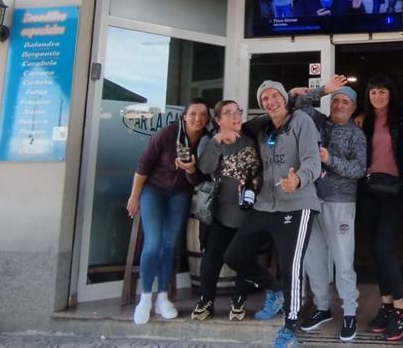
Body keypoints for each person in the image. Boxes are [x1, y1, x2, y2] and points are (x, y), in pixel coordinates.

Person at [221, 81, 321, 348]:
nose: (270, 100)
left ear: (284, 98)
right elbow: (237, 134)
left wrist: (298, 179)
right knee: (234, 255)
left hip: (297, 203)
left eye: (275, 95)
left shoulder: (301, 121)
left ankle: (290, 326)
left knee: (291, 266)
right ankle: (274, 289)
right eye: (264, 97)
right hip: (264, 204)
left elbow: (313, 159)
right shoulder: (261, 127)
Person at [289, 75, 367, 342]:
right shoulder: (318, 121)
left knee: (344, 260)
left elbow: (358, 170)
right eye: (336, 100)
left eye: (345, 101)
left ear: (353, 107)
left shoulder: (357, 134)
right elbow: (298, 104)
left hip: (341, 203)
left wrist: (329, 159)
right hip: (311, 200)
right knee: (314, 258)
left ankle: (349, 312)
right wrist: (323, 90)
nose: (340, 104)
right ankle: (322, 307)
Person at [125, 99, 211, 325]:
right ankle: (144, 298)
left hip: (179, 193)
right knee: (152, 243)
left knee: (170, 244)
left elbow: (199, 178)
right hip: (153, 190)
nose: (197, 118)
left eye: (202, 115)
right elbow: (143, 165)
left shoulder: (205, 141)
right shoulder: (168, 134)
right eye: (193, 113)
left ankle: (163, 297)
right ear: (185, 116)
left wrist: (190, 169)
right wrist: (134, 196)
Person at [190, 100, 261, 322]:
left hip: (248, 210)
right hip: (220, 211)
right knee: (212, 257)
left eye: (238, 112)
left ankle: (238, 301)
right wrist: (217, 141)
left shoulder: (252, 139)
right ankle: (206, 300)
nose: (235, 116)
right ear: (218, 120)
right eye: (228, 113)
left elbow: (262, 170)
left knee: (245, 257)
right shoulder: (210, 141)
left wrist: (256, 180)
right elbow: (205, 168)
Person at [355, 74, 403, 341]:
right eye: (373, 92)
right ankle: (387, 304)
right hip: (369, 190)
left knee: (384, 248)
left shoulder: (402, 117)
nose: (377, 96)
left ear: (391, 94)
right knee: (375, 251)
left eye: (382, 91)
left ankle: (402, 308)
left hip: (393, 190)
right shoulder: (363, 121)